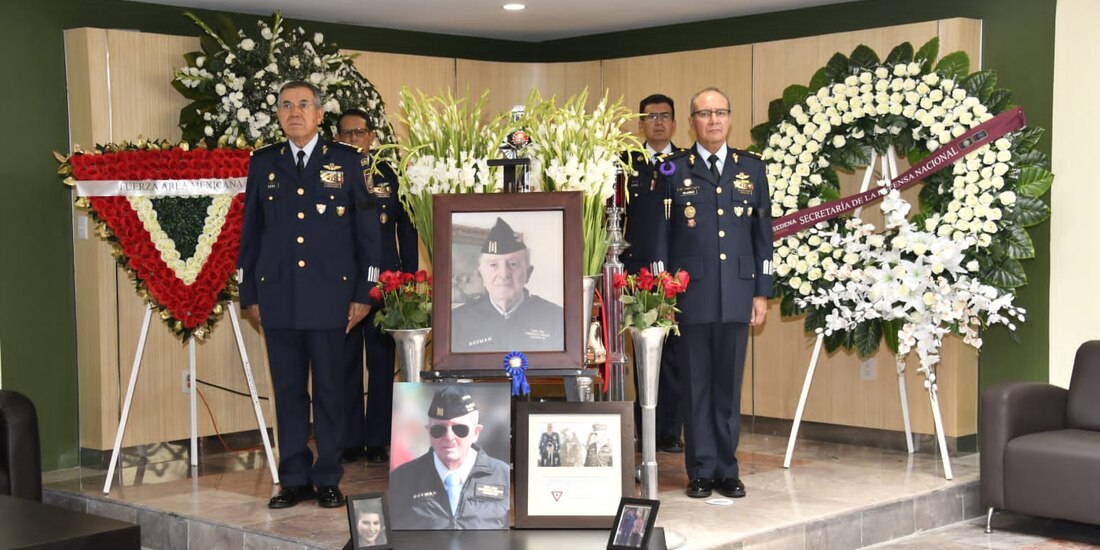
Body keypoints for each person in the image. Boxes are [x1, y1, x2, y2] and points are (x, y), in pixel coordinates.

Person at [238, 80, 382, 510]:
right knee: (287, 392)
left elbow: (367, 234)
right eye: (286, 106)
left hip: (330, 298)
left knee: (330, 392)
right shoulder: (263, 164)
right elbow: (250, 235)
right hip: (278, 297)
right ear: (278, 115)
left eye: (304, 105)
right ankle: (294, 477)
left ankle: (328, 477)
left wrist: (364, 291)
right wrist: (249, 292)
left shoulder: (346, 161)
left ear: (320, 115)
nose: (294, 112)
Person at [653, 87, 774, 500]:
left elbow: (763, 237)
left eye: (720, 112)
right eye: (704, 114)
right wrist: (662, 297)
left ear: (730, 117)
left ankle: (727, 468)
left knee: (728, 386)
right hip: (690, 295)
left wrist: (763, 292)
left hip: (738, 294)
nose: (714, 120)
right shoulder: (673, 170)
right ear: (692, 122)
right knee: (696, 387)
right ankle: (701, 470)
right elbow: (662, 239)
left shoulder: (752, 169)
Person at [337, 108, 418, 465]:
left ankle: (379, 438)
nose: (353, 139)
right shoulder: (332, 176)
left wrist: (410, 277)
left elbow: (407, 228)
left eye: (359, 133)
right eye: (346, 134)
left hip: (386, 282)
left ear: (372, 136)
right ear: (337, 137)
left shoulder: (390, 174)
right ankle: (351, 438)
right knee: (346, 362)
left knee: (383, 362)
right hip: (344, 282)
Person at [623, 94, 686, 455]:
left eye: (665, 116)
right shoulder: (627, 164)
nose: (659, 122)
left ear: (675, 123)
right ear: (640, 124)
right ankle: (643, 426)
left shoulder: (686, 163)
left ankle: (669, 431)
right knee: (641, 351)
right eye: (651, 117)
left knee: (674, 355)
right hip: (637, 274)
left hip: (678, 275)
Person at [388, 386, 509, 529]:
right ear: (428, 431)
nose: (449, 437)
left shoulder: (503, 475)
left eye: (460, 429)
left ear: (476, 432)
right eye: (438, 430)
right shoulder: (402, 479)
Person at [450, 217, 563, 352]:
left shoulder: (556, 317)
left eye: (513, 264)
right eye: (493, 265)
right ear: (481, 274)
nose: (503, 274)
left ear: (528, 273)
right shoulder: (457, 321)